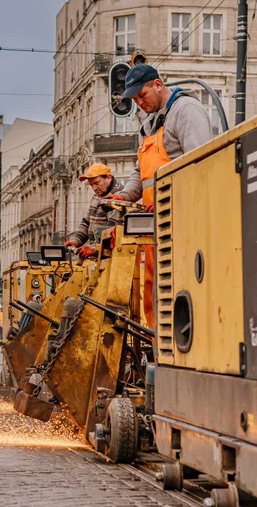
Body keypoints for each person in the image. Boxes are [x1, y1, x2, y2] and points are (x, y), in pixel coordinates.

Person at [106, 64, 212, 326]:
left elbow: (199, 165)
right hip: (158, 223)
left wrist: (171, 201)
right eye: (135, 100)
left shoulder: (185, 111)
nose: (139, 103)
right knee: (155, 290)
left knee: (178, 288)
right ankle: (157, 350)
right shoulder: (150, 124)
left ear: (157, 84)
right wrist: (125, 196)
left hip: (183, 221)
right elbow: (140, 172)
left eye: (142, 95)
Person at [64, 162, 123, 259]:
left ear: (108, 177)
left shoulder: (118, 197)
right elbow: (86, 222)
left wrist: (93, 248)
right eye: (91, 185)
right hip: (100, 255)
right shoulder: (97, 196)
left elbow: (112, 231)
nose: (94, 188)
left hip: (115, 256)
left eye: (96, 183)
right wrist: (75, 240)